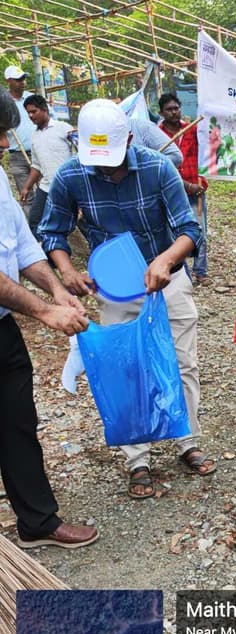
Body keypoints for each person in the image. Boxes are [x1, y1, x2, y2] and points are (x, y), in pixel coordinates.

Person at [37, 99, 213, 499]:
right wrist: (67, 270)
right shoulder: (71, 175)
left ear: (130, 140)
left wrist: (166, 260)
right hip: (114, 288)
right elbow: (52, 232)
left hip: (168, 281)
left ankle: (186, 439)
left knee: (182, 363)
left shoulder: (157, 168)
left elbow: (190, 229)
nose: (104, 169)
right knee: (127, 370)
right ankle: (138, 459)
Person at [0, 89, 98, 550]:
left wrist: (58, 290)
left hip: (3, 327)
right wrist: (43, 311)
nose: (5, 143)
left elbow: (21, 246)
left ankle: (36, 521)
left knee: (17, 420)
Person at [158, 93, 208, 281]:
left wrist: (200, 180)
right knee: (174, 233)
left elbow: (207, 151)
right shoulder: (157, 135)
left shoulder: (193, 130)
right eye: (169, 109)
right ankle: (180, 271)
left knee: (199, 229)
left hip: (196, 189)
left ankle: (200, 270)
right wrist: (186, 185)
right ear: (161, 113)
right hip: (170, 192)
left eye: (176, 108)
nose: (174, 112)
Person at [19, 94, 74, 239]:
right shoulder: (34, 137)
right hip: (46, 187)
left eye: (34, 111)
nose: (30, 116)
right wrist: (26, 187)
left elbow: (80, 154)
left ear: (44, 109)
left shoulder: (64, 129)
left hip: (68, 186)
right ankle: (44, 250)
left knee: (83, 221)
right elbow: (36, 166)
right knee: (35, 221)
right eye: (28, 113)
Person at [4, 65, 35, 217]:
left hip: (38, 152)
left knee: (47, 190)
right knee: (26, 195)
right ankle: (33, 228)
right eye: (18, 80)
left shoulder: (32, 99)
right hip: (17, 156)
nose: (22, 82)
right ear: (8, 81)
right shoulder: (3, 102)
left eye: (23, 78)